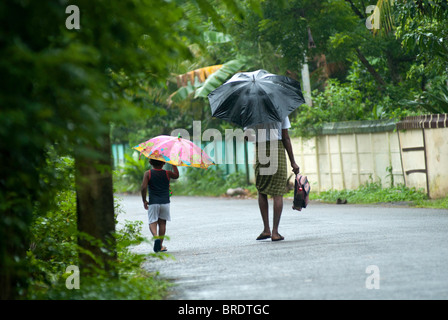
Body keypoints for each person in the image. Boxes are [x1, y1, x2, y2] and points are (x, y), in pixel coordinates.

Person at [248, 116, 300, 242]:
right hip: (277, 149)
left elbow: (248, 137)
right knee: (278, 192)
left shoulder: (251, 111)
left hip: (261, 150)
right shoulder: (281, 109)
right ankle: (275, 232)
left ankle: (266, 229)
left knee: (262, 190)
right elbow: (286, 137)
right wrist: (293, 162)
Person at [141, 159, 179, 252]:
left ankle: (156, 237)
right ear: (164, 163)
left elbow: (143, 187)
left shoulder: (148, 173)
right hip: (165, 202)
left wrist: (144, 200)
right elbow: (176, 176)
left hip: (153, 202)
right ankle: (161, 246)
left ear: (150, 163)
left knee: (152, 221)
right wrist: (174, 165)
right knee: (162, 223)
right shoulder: (167, 173)